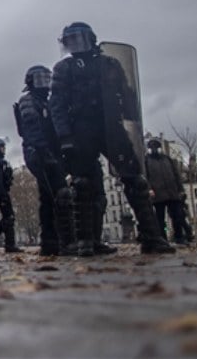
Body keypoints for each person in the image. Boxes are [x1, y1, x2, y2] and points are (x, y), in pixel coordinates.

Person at [49, 22, 175, 256]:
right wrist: (65, 136)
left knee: (135, 180)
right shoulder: (64, 68)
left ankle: (152, 236)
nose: (74, 44)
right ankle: (86, 240)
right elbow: (56, 103)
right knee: (83, 185)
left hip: (110, 127)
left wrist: (131, 123)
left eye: (78, 39)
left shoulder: (109, 64)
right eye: (70, 41)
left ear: (90, 38)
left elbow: (127, 96)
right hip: (81, 129)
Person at [14, 65, 76, 256]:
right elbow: (33, 129)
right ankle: (67, 242)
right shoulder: (28, 102)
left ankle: (50, 242)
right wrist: (44, 152)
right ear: (30, 82)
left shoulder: (46, 102)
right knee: (61, 194)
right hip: (39, 152)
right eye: (39, 79)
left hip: (49, 152)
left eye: (46, 78)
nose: (44, 83)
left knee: (48, 197)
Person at [145, 139, 190, 246]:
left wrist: (180, 189)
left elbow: (176, 174)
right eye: (152, 148)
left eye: (156, 147)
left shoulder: (167, 159)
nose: (154, 149)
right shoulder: (146, 161)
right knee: (160, 218)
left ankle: (179, 237)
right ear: (150, 149)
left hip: (172, 192)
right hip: (157, 193)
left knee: (177, 216)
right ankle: (163, 238)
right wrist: (149, 189)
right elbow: (146, 176)